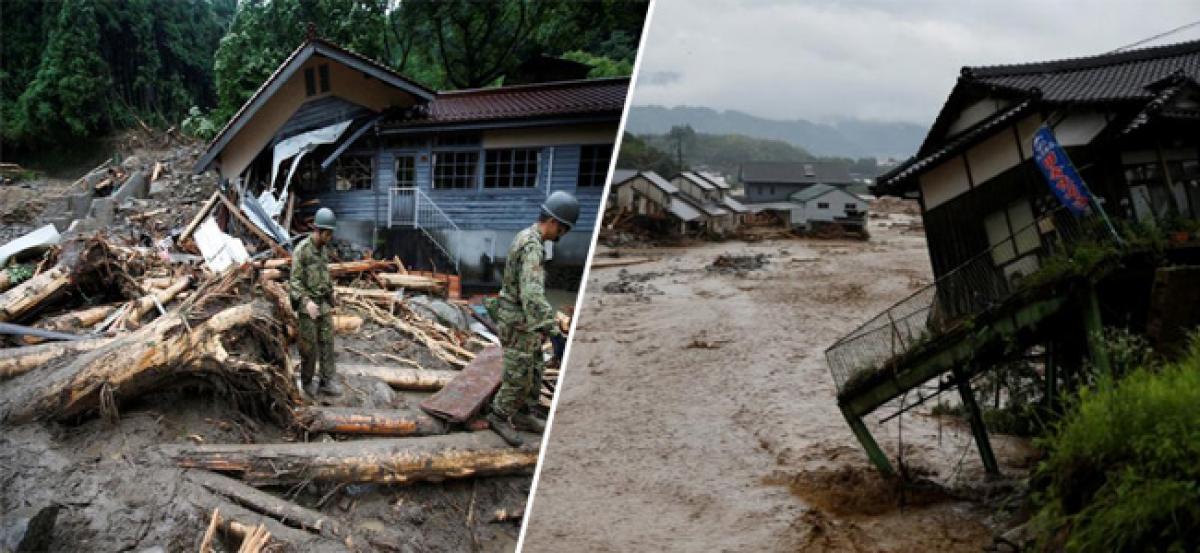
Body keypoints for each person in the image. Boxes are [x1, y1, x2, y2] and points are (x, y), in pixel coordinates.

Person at [486, 191, 579, 446]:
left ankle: (525, 413)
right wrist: (552, 328)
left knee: (536, 366)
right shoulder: (532, 247)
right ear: (554, 223)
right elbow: (532, 295)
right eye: (563, 230)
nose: (561, 236)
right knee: (519, 372)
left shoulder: (527, 237)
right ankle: (499, 415)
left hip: (524, 319)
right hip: (517, 320)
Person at [289, 207, 342, 398]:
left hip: (323, 303)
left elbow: (324, 276)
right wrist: (305, 301)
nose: (331, 237)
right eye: (329, 233)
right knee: (309, 347)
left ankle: (327, 380)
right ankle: (307, 381)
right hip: (308, 306)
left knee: (327, 343)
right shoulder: (301, 251)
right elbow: (294, 282)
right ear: (319, 231)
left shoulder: (323, 250)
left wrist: (331, 295)